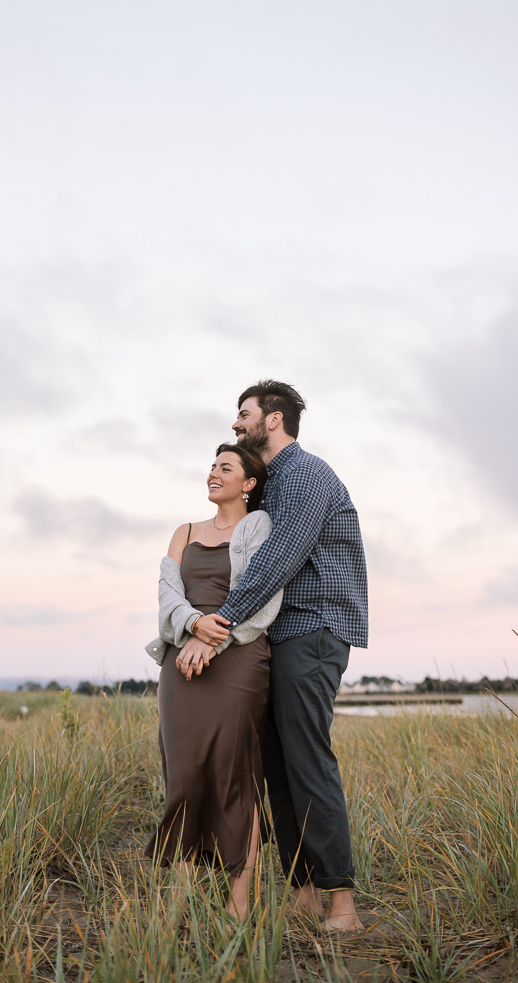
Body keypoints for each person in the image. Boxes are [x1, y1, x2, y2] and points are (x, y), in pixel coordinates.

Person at [186, 381, 368, 934]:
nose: (236, 424)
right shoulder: (268, 485)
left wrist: (216, 626)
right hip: (275, 639)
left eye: (244, 414)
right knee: (275, 767)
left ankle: (342, 904)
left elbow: (279, 560)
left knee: (307, 759)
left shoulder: (307, 475)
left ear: (274, 419)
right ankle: (305, 892)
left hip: (313, 631)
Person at [144, 442, 283, 919]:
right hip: (181, 662)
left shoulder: (258, 527)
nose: (213, 473)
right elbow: (166, 594)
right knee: (183, 777)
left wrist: (214, 635)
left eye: (226, 468)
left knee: (233, 775)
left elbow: (261, 597)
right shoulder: (183, 531)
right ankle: (180, 897)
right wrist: (192, 625)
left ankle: (239, 904)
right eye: (211, 466)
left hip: (238, 660)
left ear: (248, 484)